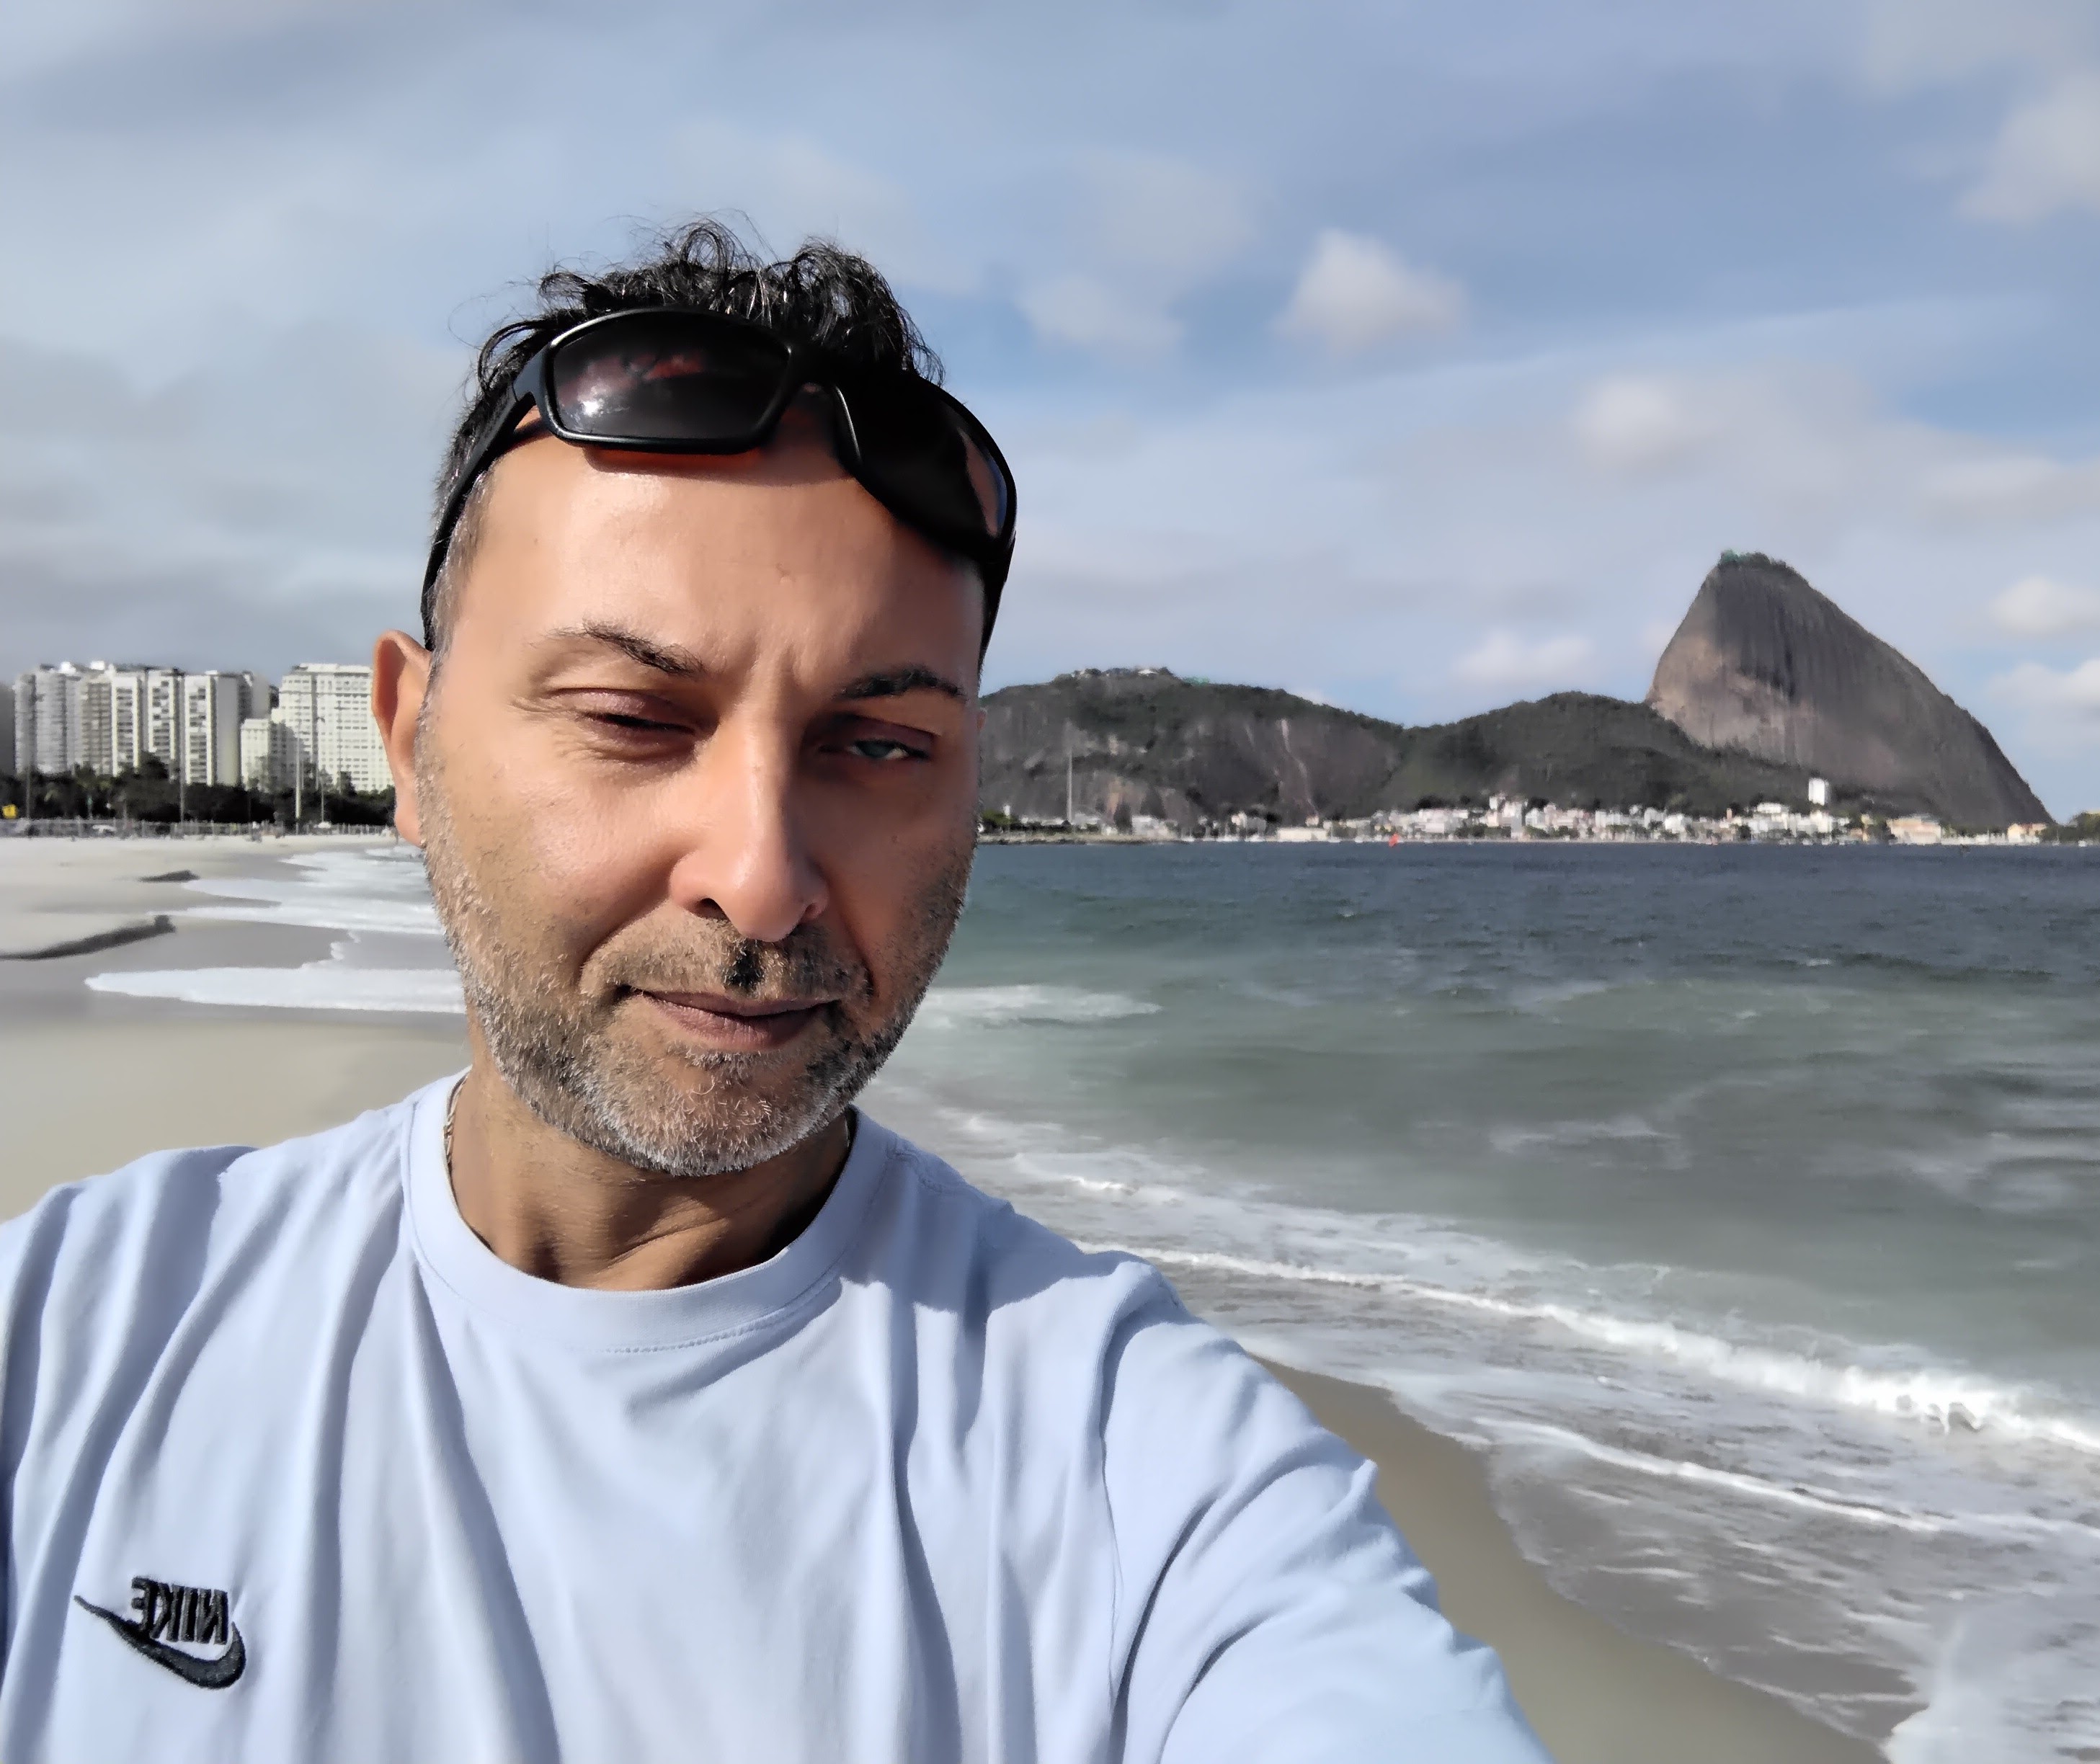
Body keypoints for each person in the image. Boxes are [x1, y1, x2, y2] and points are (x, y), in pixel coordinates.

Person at [0, 223, 1547, 1762]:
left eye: (878, 748)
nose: (762, 878)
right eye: (632, 717)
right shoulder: (71, 1343)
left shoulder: (1139, 1474)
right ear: (411, 742)